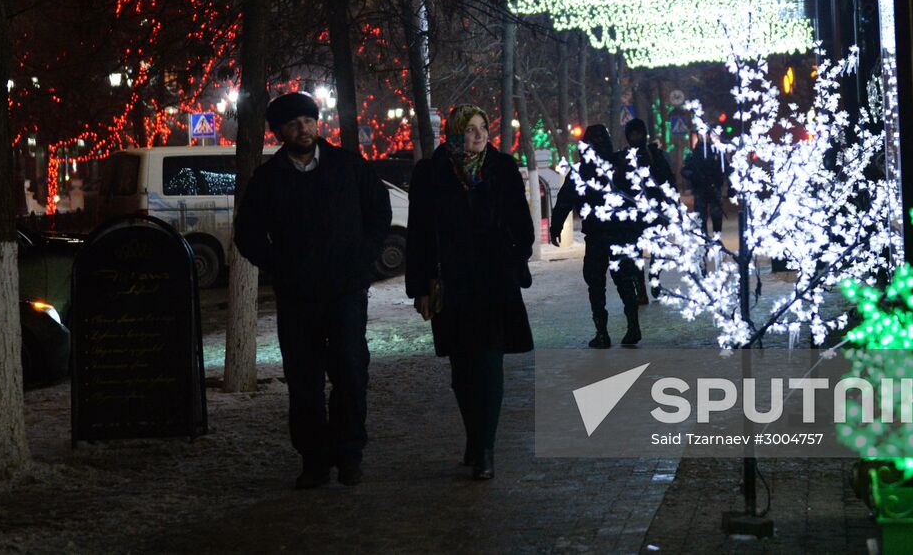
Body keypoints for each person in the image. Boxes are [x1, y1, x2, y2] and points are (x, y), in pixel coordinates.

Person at [234, 90, 391, 490]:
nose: (303, 129)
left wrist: (363, 256)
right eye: (293, 124)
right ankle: (314, 461)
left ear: (318, 123)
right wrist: (279, 266)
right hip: (298, 296)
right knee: (304, 383)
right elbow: (248, 233)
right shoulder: (269, 179)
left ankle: (349, 455)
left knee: (351, 374)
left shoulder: (347, 167)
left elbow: (379, 213)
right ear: (280, 132)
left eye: (308, 120)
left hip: (345, 292)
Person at [405, 104, 534, 480]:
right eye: (469, 129)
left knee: (490, 365)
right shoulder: (431, 174)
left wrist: (513, 258)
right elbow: (419, 236)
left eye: (481, 128)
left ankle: (486, 448)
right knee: (463, 370)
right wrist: (421, 287)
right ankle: (474, 437)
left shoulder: (502, 168)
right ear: (454, 132)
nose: (477, 135)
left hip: (495, 284)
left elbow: (522, 226)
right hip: (452, 285)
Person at [549, 124, 643, 348]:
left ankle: (603, 333)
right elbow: (638, 197)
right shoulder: (620, 166)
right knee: (623, 281)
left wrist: (556, 227)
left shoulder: (584, 170)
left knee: (597, 283)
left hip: (598, 235)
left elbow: (565, 200)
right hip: (619, 234)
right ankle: (632, 327)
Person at [619, 117, 676, 306]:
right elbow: (619, 185)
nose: (635, 137)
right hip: (633, 214)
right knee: (635, 254)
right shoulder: (624, 157)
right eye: (632, 134)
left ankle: (654, 279)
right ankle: (641, 291)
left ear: (643, 134)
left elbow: (668, 180)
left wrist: (669, 204)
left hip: (655, 211)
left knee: (657, 251)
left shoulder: (654, 155)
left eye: (638, 133)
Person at [681, 138, 727, 237]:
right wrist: (696, 177)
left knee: (714, 214)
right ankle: (706, 237)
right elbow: (685, 171)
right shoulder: (694, 155)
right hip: (701, 189)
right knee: (703, 216)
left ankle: (712, 236)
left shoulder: (714, 153)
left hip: (712, 187)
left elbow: (724, 168)